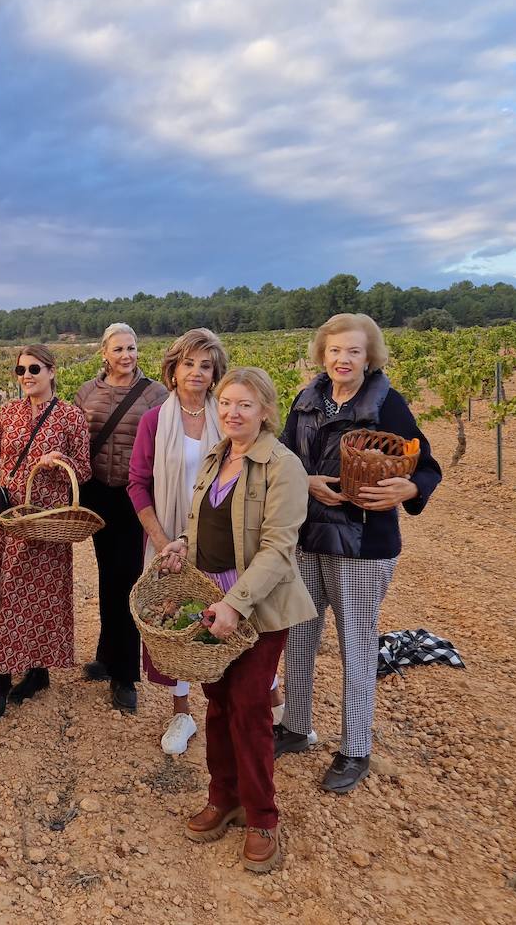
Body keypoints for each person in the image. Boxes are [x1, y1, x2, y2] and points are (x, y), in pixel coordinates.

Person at [274, 313, 442, 794]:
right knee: (300, 635)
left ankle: (355, 749)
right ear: (321, 354)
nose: (342, 359)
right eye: (334, 350)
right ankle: (295, 726)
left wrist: (407, 488)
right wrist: (304, 481)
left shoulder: (387, 404)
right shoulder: (306, 401)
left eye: (353, 351)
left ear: (369, 356)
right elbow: (285, 456)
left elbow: (427, 464)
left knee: (357, 643)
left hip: (362, 544)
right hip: (307, 537)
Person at [157, 367, 314, 873]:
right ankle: (224, 798)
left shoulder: (282, 466)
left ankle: (263, 816)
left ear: (266, 411)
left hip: (258, 606)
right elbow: (200, 520)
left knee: (249, 705)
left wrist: (235, 605)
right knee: (218, 702)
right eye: (226, 403)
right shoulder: (215, 456)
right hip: (212, 598)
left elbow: (278, 548)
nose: (232, 412)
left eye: (245, 404)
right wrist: (183, 543)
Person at [0, 344, 91, 722]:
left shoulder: (71, 416)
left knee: (42, 596)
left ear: (52, 371)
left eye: (35, 369)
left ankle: (36, 670)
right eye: (20, 370)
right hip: (8, 518)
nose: (26, 375)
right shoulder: (7, 412)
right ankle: (2, 675)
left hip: (46, 520)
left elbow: (85, 470)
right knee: (5, 593)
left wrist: (61, 462)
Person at [127, 327, 227, 753]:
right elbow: (137, 484)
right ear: (173, 369)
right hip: (168, 538)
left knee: (226, 620)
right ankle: (182, 712)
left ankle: (237, 709)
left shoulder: (229, 414)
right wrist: (164, 540)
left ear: (215, 372)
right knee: (178, 622)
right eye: (188, 363)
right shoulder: (154, 421)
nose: (197, 373)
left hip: (221, 537)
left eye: (206, 365)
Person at [74, 323, 168, 712]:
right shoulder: (87, 392)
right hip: (98, 492)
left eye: (131, 348)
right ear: (104, 353)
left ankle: (126, 674)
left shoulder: (155, 394)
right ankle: (106, 654)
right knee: (106, 574)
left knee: (127, 578)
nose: (126, 355)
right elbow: (77, 442)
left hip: (133, 496)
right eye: (118, 349)